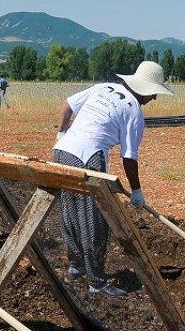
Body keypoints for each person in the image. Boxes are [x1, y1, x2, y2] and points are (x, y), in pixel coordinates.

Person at [53, 60, 172, 296]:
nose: (155, 99)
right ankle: (96, 282)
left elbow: (67, 105)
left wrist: (60, 134)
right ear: (146, 90)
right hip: (89, 157)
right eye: (154, 93)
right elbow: (129, 157)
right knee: (94, 220)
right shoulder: (133, 110)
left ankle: (76, 267)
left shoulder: (103, 87)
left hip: (62, 150)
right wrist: (136, 191)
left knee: (69, 211)